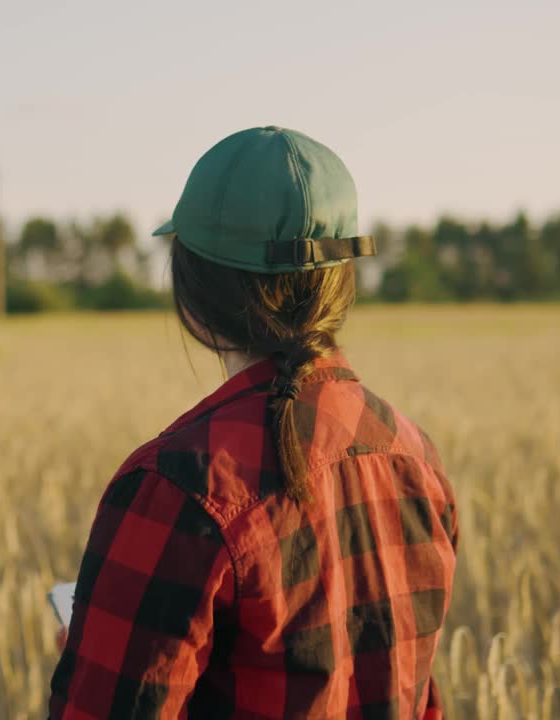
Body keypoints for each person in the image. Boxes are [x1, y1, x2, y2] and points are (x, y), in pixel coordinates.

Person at [47, 126, 458, 719]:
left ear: (195, 290)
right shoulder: (416, 457)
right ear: (340, 281)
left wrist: (95, 655)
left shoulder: (176, 485)